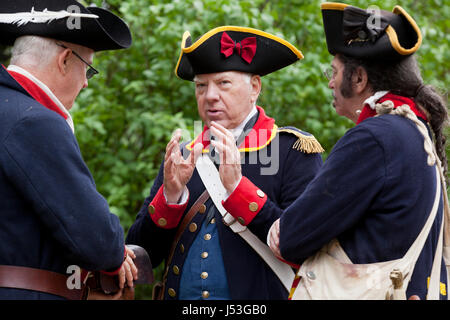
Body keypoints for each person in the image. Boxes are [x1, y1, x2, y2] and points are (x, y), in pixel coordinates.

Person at [126, 26, 324, 300]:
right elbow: (141, 253)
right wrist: (170, 197)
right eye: (201, 86)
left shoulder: (292, 150)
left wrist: (238, 190)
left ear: (255, 87)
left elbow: (305, 245)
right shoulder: (184, 156)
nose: (209, 96)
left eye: (223, 83)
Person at [268, 2, 449, 300]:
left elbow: (291, 238)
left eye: (335, 72)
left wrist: (278, 225)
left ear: (360, 79)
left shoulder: (374, 138)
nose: (330, 82)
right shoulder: (414, 131)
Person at [0, 0, 137, 299]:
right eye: (88, 69)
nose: (86, 84)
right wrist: (116, 256)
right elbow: (98, 241)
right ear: (64, 60)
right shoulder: (35, 122)